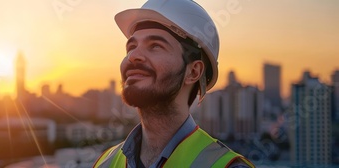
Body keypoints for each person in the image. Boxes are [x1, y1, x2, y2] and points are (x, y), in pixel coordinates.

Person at [93, 0, 255, 167]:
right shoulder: (105, 163)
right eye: (131, 47)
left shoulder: (227, 166)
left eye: (155, 46)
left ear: (193, 72)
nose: (133, 56)